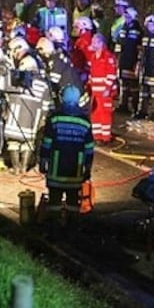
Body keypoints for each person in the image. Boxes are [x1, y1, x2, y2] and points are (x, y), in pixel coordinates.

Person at [39, 84, 94, 226]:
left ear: (62, 99)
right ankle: (72, 227)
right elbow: (89, 148)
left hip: (56, 169)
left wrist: (43, 161)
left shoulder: (54, 119)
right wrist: (87, 168)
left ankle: (53, 226)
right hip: (75, 170)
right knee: (73, 200)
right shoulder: (85, 122)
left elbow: (46, 143)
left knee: (54, 200)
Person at [3, 44, 52, 175]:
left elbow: (6, 91)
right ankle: (24, 168)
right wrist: (42, 118)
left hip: (16, 118)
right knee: (28, 143)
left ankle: (16, 168)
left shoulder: (17, 80)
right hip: (33, 119)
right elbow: (46, 104)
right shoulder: (43, 84)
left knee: (13, 142)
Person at [87, 33, 118, 144]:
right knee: (95, 113)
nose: (92, 44)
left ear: (100, 43)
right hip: (95, 91)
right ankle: (97, 136)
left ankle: (106, 137)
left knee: (105, 114)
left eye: (95, 42)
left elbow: (111, 74)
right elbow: (91, 73)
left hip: (104, 92)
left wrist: (107, 88)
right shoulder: (94, 56)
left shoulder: (108, 57)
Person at [114, 6, 143, 114]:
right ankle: (123, 105)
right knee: (123, 84)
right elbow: (118, 44)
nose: (126, 18)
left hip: (132, 61)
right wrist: (117, 58)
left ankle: (135, 107)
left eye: (128, 16)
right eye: (125, 16)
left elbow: (140, 48)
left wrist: (138, 62)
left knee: (133, 86)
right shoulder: (122, 28)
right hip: (123, 61)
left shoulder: (138, 30)